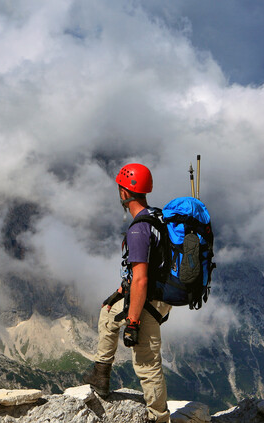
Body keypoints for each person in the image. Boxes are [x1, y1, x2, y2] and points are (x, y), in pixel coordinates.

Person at [83, 162, 172, 423]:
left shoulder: (138, 230)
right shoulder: (157, 217)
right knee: (108, 313)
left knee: (146, 362)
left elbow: (142, 280)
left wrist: (133, 322)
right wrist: (124, 289)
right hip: (156, 294)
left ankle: (159, 418)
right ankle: (101, 375)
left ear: (125, 192)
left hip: (148, 299)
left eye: (120, 188)